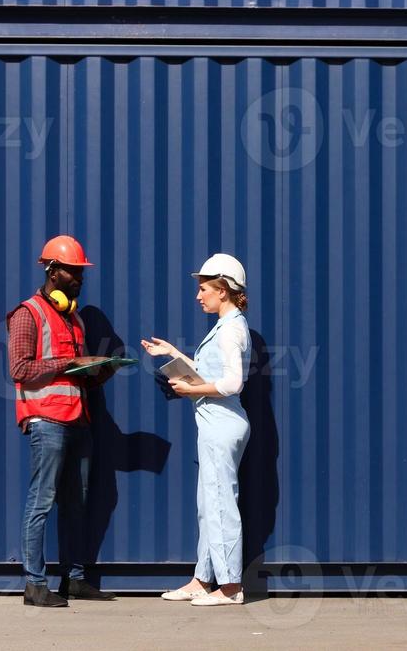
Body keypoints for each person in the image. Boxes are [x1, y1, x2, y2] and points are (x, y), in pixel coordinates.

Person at [8, 235, 124, 607]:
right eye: (73, 272)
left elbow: (75, 372)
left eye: (81, 272)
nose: (79, 278)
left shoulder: (73, 318)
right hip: (46, 421)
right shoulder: (28, 313)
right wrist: (70, 363)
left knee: (77, 503)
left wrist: (99, 370)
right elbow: (19, 368)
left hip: (78, 419)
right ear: (52, 271)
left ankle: (73, 580)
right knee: (42, 500)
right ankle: (34, 584)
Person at [140, 253, 253, 607]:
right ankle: (203, 579)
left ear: (223, 290)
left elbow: (233, 383)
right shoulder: (224, 327)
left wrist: (189, 391)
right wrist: (173, 353)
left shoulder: (232, 329)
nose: (198, 295)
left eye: (204, 289)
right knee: (209, 504)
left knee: (220, 504)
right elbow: (211, 373)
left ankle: (231, 587)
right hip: (214, 423)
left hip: (222, 424)